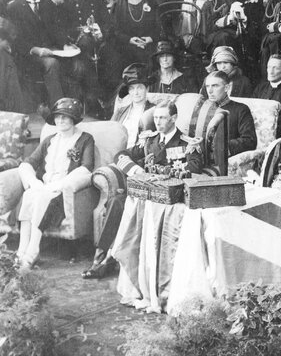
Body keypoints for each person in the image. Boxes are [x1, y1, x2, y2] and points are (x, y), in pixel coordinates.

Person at [82, 101, 197, 281]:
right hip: (143, 193)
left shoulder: (187, 143)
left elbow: (195, 167)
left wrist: (167, 176)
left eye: (163, 118)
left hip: (168, 198)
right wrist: (137, 171)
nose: (158, 122)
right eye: (156, 118)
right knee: (116, 201)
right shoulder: (149, 141)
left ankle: (114, 260)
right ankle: (101, 258)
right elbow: (120, 155)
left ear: (174, 118)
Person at [0, 98, 96, 268]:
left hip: (64, 193)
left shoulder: (85, 139)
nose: (60, 120)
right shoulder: (49, 140)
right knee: (30, 194)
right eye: (58, 117)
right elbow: (28, 163)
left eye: (65, 117)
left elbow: (86, 168)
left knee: (41, 197)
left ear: (74, 119)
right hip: (44, 188)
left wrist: (57, 185)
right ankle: (22, 248)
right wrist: (34, 182)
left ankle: (33, 249)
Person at [194, 70, 258, 175]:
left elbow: (249, 140)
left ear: (227, 88)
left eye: (215, 86)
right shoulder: (202, 110)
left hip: (222, 160)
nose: (210, 91)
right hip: (199, 160)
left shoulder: (240, 109)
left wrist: (222, 148)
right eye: (207, 86)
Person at [111, 63, 154, 145]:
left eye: (140, 88)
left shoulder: (154, 111)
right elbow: (110, 133)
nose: (136, 93)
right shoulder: (120, 112)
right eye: (132, 88)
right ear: (128, 91)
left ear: (147, 89)